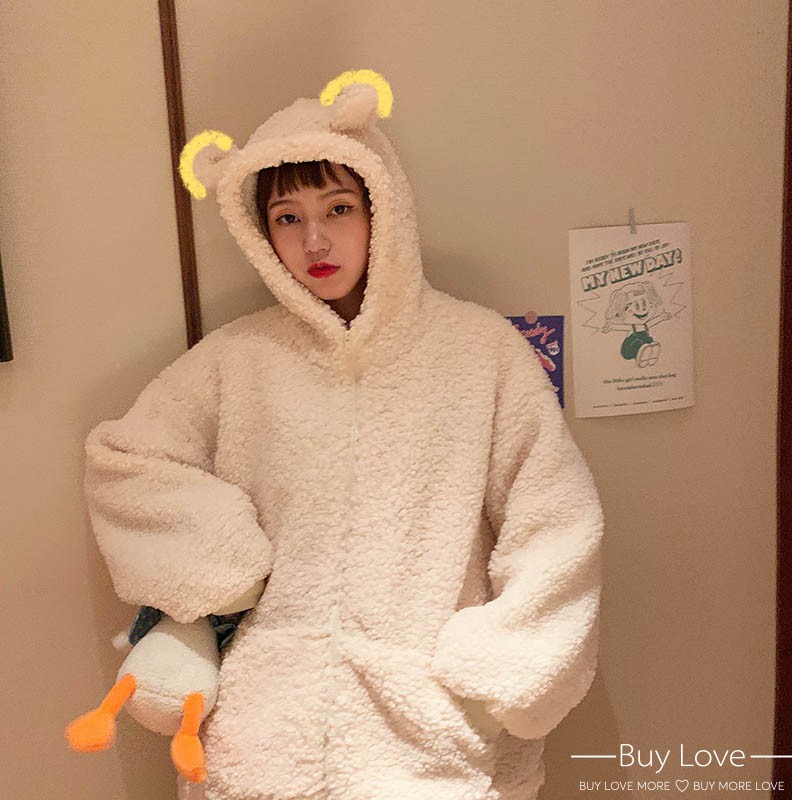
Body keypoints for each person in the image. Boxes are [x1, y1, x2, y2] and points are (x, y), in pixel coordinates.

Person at [80, 72, 604, 800]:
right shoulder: (236, 360)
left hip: (431, 733)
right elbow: (125, 461)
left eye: (338, 207)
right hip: (262, 737)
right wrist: (222, 564)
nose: (315, 239)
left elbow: (556, 517)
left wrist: (508, 666)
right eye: (287, 217)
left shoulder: (479, 353)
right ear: (259, 231)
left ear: (382, 205)